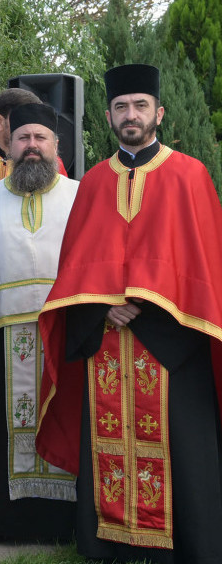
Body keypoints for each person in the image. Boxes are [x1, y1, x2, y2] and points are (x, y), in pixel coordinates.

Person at [37, 63, 222, 563]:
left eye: (140, 106)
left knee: (183, 451)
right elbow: (77, 266)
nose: (131, 115)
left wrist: (153, 306)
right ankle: (108, 542)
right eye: (121, 107)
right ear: (108, 115)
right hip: (105, 346)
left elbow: (204, 270)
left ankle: (188, 544)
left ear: (159, 113)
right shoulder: (94, 181)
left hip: (173, 348)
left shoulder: (189, 175)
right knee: (106, 447)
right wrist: (102, 310)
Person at [0, 104, 79, 545]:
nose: (31, 146)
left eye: (40, 138)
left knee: (63, 419)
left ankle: (64, 523)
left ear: (55, 146)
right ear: (8, 146)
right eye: (22, 138)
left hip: (62, 330)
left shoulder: (80, 193)